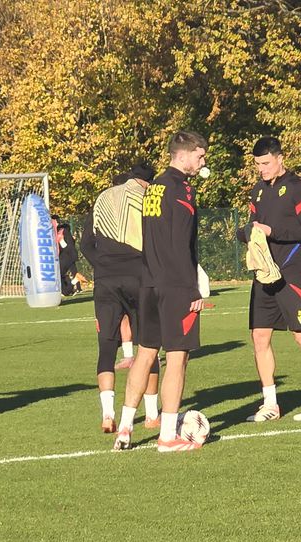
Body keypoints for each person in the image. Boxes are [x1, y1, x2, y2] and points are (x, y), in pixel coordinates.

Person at [113, 131, 207, 452]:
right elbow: (181, 244)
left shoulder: (153, 189)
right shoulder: (182, 189)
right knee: (177, 359)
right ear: (184, 155)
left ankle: (125, 428)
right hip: (175, 286)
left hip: (149, 283)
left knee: (145, 354)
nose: (202, 162)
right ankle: (167, 436)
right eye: (200, 155)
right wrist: (193, 288)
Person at [238, 136, 301, 422]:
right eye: (258, 164)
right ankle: (270, 404)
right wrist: (246, 232)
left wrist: (272, 231)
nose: (262, 169)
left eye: (266, 163)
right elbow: (252, 227)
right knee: (259, 336)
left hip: (293, 272)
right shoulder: (257, 191)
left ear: (280, 158)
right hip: (264, 273)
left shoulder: (299, 186)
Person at [79, 163, 161, 434]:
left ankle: (106, 414)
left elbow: (85, 243)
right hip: (138, 275)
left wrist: (101, 264)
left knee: (105, 347)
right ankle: (150, 415)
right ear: (144, 182)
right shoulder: (144, 198)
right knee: (148, 347)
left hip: (105, 280)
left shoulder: (102, 200)